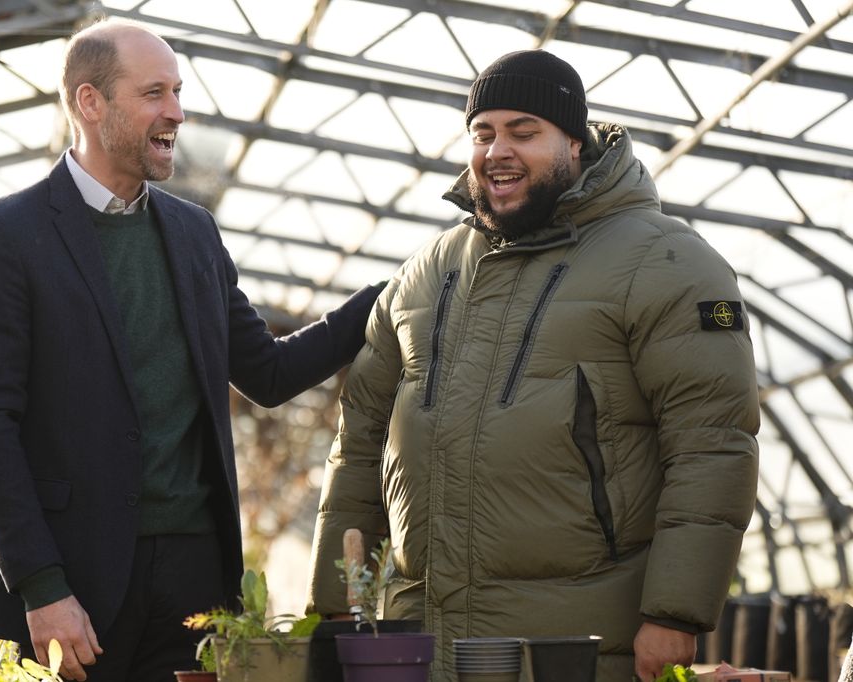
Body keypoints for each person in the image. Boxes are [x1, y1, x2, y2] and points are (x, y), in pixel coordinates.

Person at [306, 49, 760, 682]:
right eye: (483, 133)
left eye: (525, 132)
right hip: (426, 643)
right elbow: (358, 446)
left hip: (578, 646)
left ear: (574, 142)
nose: (498, 151)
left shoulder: (666, 262)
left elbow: (711, 445)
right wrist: (333, 612)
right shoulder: (422, 275)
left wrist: (675, 615)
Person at [0, 18, 382, 682]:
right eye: (154, 93)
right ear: (89, 102)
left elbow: (267, 372)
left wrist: (387, 296)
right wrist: (41, 587)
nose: (176, 112)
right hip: (80, 579)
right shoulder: (8, 235)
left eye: (177, 92)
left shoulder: (193, 233)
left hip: (195, 577)